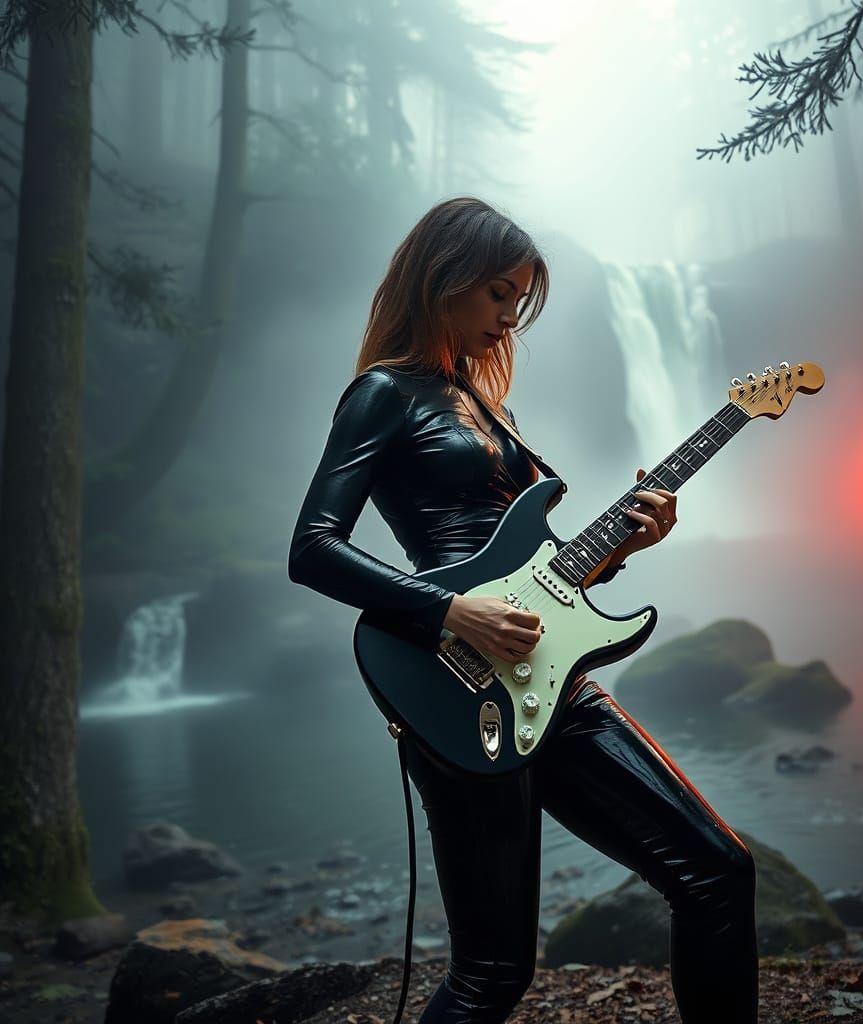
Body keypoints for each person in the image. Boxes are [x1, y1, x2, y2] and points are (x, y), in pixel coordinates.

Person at [288, 196, 758, 1023]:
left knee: (717, 870)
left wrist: (622, 551)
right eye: (499, 294)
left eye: (520, 301)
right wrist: (451, 611)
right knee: (493, 972)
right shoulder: (382, 394)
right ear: (445, 278)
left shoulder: (487, 404)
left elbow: (533, 570)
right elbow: (313, 547)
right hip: (451, 686)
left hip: (553, 679)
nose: (510, 319)